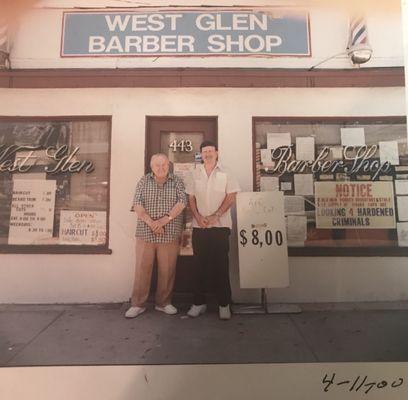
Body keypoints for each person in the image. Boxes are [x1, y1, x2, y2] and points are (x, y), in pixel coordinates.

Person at [125, 153, 187, 318]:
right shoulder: (144, 181)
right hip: (146, 233)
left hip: (169, 233)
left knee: (167, 270)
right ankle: (138, 304)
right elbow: (137, 204)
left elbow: (182, 203)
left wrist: (163, 221)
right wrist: (152, 222)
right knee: (142, 269)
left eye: (164, 165)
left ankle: (163, 303)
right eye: (157, 165)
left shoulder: (177, 181)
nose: (161, 168)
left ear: (169, 165)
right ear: (151, 167)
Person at [186, 141, 241, 320]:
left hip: (220, 226)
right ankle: (198, 303)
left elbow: (231, 196)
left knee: (221, 266)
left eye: (211, 151)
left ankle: (224, 304)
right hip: (199, 226)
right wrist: (198, 216)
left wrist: (215, 216)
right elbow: (191, 198)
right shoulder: (194, 173)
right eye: (205, 151)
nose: (208, 154)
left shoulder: (226, 172)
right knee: (198, 266)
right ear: (201, 154)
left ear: (217, 153)